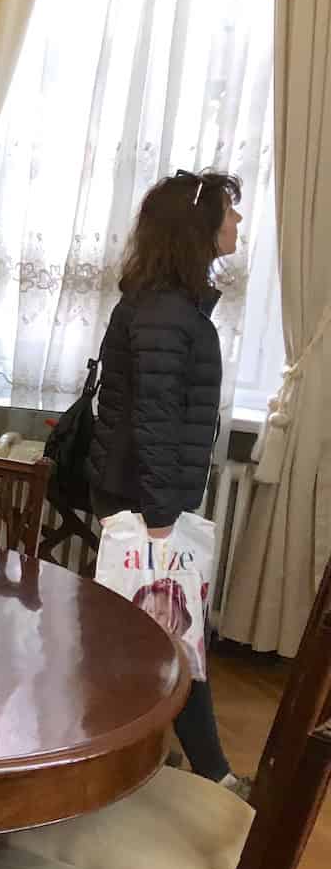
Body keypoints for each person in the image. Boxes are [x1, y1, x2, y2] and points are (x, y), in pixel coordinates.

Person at [88, 167, 248, 797]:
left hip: (144, 493)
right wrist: (160, 516)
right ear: (199, 227)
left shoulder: (167, 305)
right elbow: (153, 418)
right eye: (230, 215)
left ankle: (150, 758)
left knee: (159, 638)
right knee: (173, 637)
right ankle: (214, 773)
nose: (237, 225)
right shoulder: (164, 312)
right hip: (144, 498)